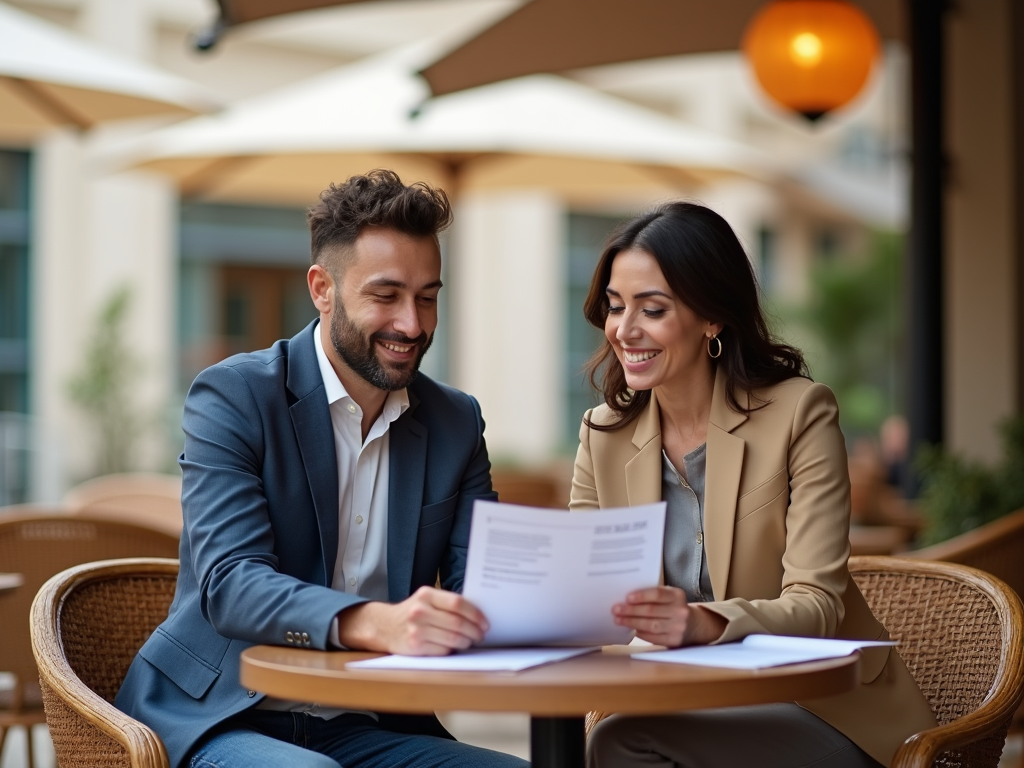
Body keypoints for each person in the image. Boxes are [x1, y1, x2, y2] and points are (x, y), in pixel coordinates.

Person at [115, 170, 527, 768]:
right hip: (219, 716)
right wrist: (375, 624)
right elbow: (231, 583)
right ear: (322, 288)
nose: (412, 324)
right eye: (386, 296)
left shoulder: (455, 421)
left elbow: (480, 588)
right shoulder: (235, 395)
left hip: (367, 722)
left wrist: (557, 594)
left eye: (428, 297)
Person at [570, 202, 936, 768]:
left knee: (621, 741)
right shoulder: (604, 434)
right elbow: (582, 600)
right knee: (615, 734)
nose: (625, 329)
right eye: (616, 307)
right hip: (683, 704)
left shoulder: (799, 414)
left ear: (712, 317)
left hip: (825, 710)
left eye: (653, 309)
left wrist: (702, 621)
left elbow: (816, 606)